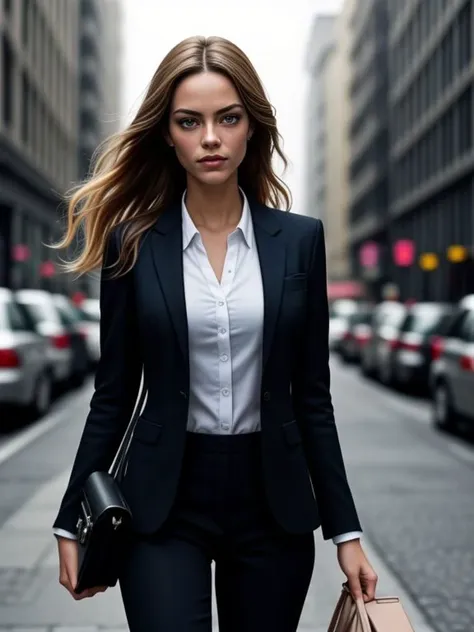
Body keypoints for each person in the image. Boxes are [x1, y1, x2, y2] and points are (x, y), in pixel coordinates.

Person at [52, 35, 378, 631]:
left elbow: (313, 398)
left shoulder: (300, 241)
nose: (210, 137)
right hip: (161, 502)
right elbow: (113, 392)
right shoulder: (132, 244)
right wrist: (71, 517)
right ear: (167, 134)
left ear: (251, 127)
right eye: (189, 121)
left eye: (228, 118)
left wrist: (346, 533)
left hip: (271, 504)